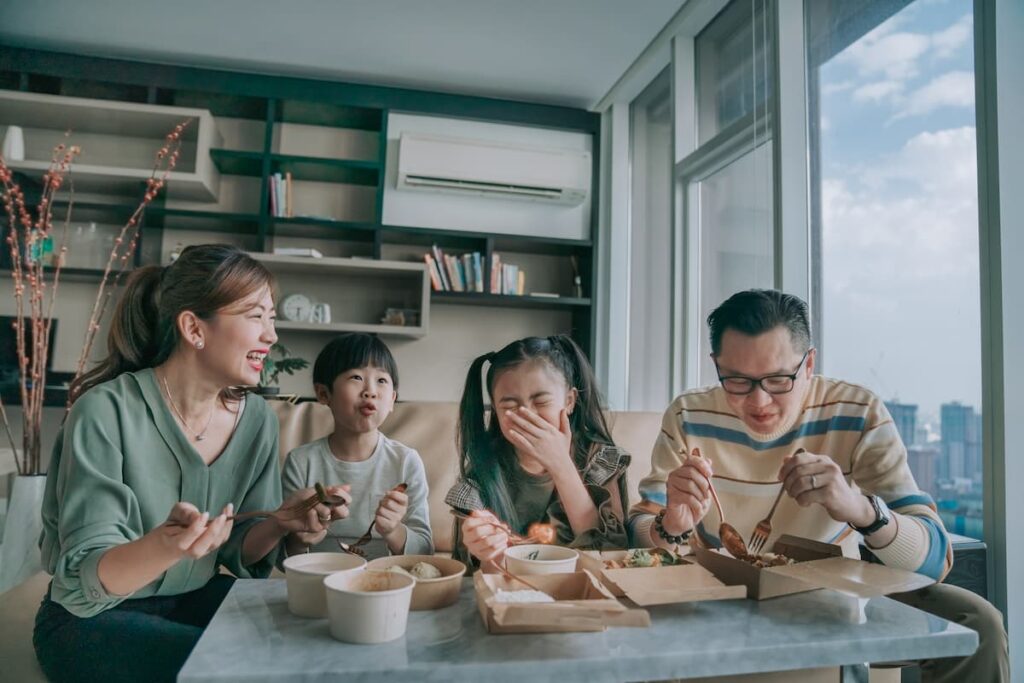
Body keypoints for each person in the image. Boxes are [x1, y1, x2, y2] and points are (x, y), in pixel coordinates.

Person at [630, 289, 1008, 683]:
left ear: (809, 364)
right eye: (738, 381)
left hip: (840, 593)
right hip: (719, 591)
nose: (759, 402)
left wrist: (861, 510)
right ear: (717, 366)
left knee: (979, 624)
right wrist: (669, 525)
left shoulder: (857, 412)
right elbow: (639, 529)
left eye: (779, 379)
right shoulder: (689, 415)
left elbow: (935, 561)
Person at [33, 245, 350, 683]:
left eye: (272, 318)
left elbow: (240, 550)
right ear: (193, 328)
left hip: (194, 597)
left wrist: (281, 522)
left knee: (317, 641)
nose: (272, 335)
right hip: (93, 617)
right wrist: (166, 546)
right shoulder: (106, 410)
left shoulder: (257, 420)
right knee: (236, 669)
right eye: (256, 316)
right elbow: (88, 574)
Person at [446, 335, 629, 570]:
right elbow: (476, 573)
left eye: (541, 402)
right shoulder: (482, 478)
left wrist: (561, 464)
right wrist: (485, 551)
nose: (526, 415)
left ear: (570, 401)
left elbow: (611, 556)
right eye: (510, 406)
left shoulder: (600, 461)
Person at [281, 333, 432, 559]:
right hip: (321, 581)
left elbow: (425, 551)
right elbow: (283, 557)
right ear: (324, 393)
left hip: (385, 584)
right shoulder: (301, 462)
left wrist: (393, 530)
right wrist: (299, 541)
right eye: (356, 377)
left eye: (381, 380)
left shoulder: (406, 461)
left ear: (392, 400)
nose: (370, 390)